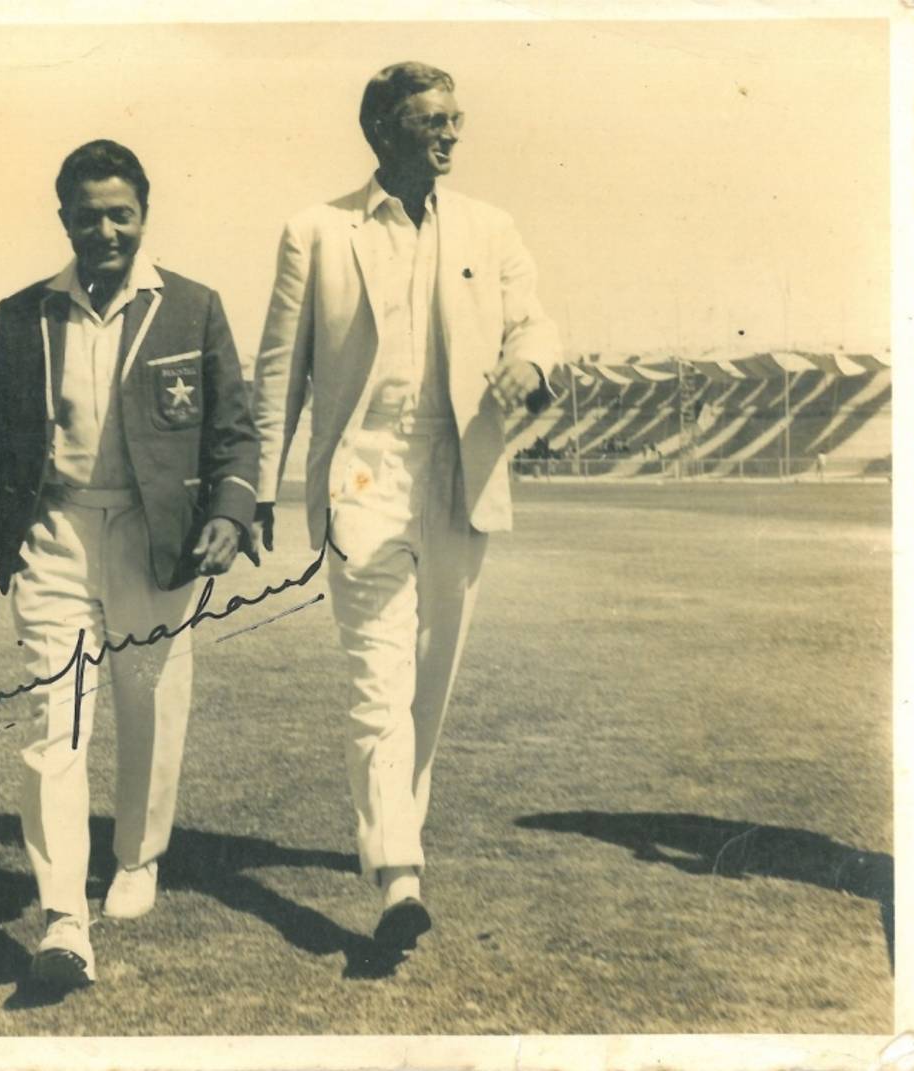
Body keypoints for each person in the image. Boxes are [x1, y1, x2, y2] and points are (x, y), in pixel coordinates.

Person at [251, 61, 560, 956]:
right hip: (361, 480)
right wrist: (259, 487)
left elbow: (534, 321)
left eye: (457, 118)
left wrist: (530, 364)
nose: (451, 134)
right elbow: (280, 373)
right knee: (375, 676)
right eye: (431, 119)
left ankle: (396, 839)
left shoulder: (490, 227)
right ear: (382, 130)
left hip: (458, 476)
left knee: (431, 678)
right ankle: (398, 875)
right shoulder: (317, 231)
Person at [0, 139, 258, 990]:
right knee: (59, 717)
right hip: (53, 533)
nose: (105, 229)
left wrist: (230, 516)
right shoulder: (23, 315)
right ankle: (62, 918)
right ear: (65, 220)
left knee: (150, 703)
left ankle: (137, 856)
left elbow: (233, 432)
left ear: (144, 215)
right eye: (87, 215)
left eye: (120, 213)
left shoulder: (192, 307)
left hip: (156, 539)